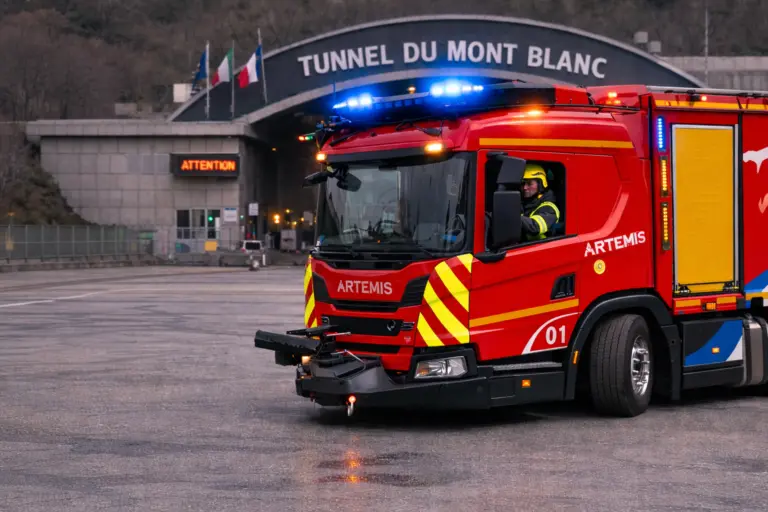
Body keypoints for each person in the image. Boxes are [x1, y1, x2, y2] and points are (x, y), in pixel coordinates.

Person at [520, 163, 560, 240]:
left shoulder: (549, 207)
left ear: (541, 184)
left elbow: (535, 227)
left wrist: (510, 217)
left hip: (542, 248)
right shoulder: (523, 201)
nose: (525, 187)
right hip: (522, 247)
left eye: (529, 183)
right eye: (523, 183)